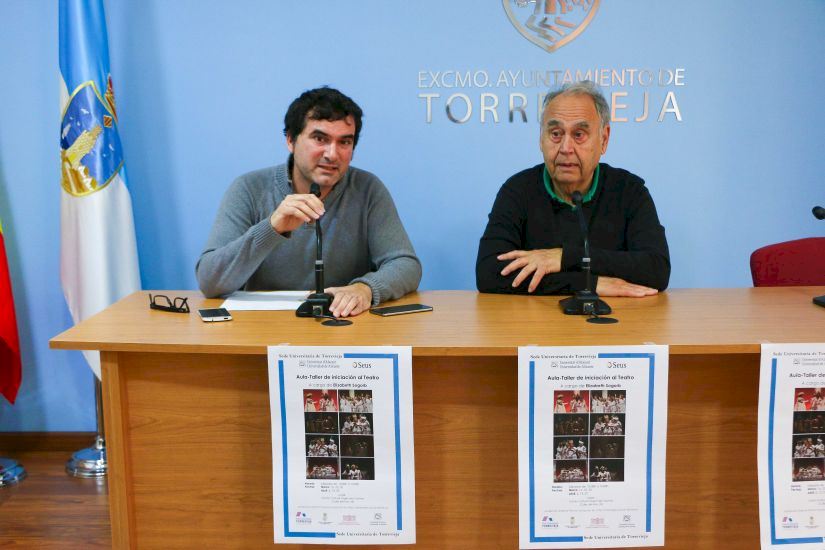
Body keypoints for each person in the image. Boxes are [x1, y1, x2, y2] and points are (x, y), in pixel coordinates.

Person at [196, 87, 422, 317]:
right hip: (264, 326)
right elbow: (210, 281)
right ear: (290, 140)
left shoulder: (367, 189)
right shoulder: (249, 188)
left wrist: (365, 289)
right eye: (320, 139)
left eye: (344, 142)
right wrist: (272, 228)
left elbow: (405, 264)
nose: (332, 154)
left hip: (343, 325)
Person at [476, 80, 670, 297]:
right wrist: (588, 284)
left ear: (604, 139)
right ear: (541, 139)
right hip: (536, 319)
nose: (566, 148)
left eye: (579, 135)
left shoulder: (629, 191)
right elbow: (489, 273)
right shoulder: (517, 190)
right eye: (555, 133)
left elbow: (656, 268)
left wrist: (563, 258)